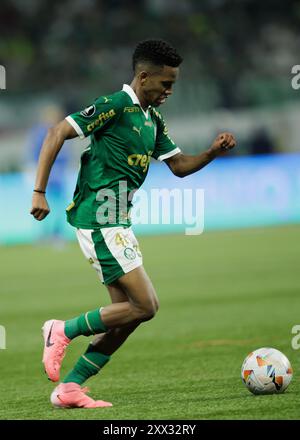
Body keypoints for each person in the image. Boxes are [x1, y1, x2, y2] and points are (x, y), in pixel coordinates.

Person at [30, 39, 236, 409]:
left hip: (118, 220)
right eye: (165, 84)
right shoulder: (115, 106)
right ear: (143, 77)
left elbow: (178, 166)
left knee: (125, 319)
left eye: (173, 84)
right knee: (147, 305)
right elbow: (56, 132)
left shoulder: (151, 119)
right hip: (100, 218)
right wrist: (39, 191)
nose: (170, 91)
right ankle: (61, 329)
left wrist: (210, 153)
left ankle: (70, 388)